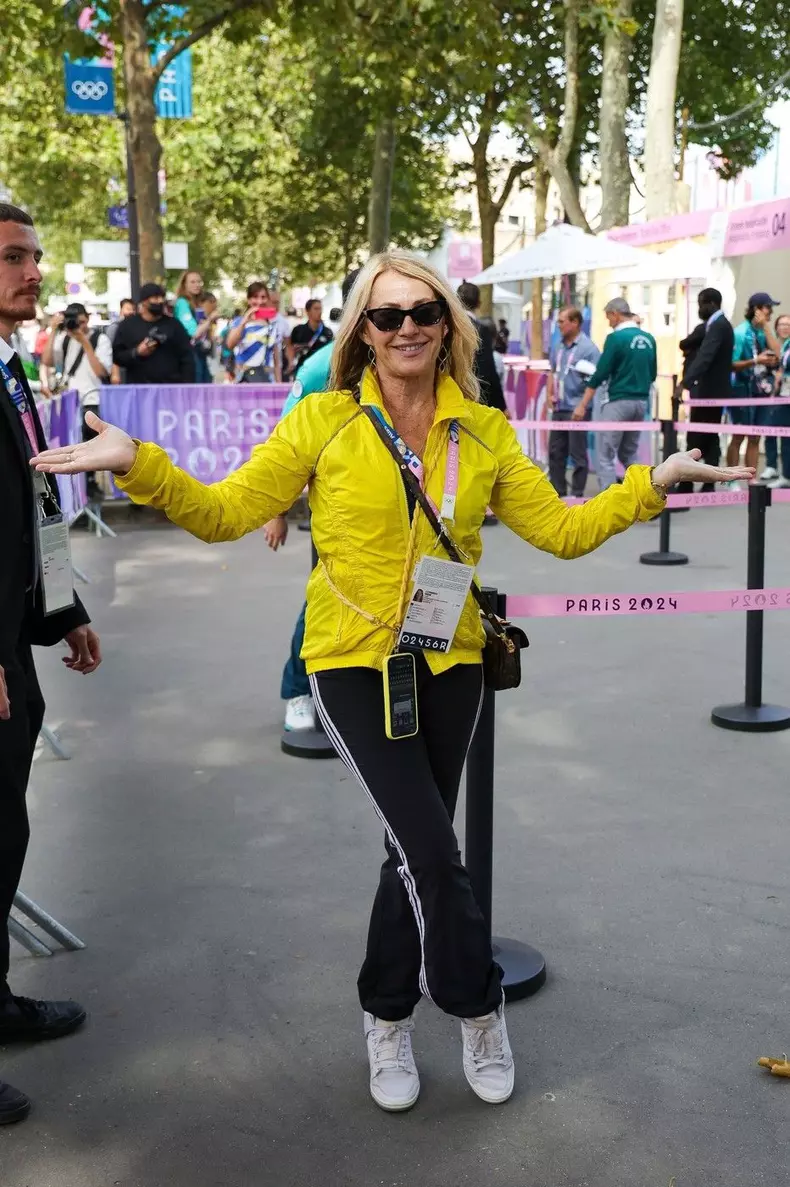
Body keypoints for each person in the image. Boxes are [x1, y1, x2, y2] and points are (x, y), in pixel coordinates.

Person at [31, 250, 752, 1116]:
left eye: (423, 311)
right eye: (386, 315)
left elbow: (562, 531)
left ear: (448, 324)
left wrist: (651, 484)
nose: (406, 325)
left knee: (409, 854)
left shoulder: (482, 430)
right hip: (348, 663)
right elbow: (223, 512)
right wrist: (136, 459)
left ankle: (384, 1015)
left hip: (451, 665)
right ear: (363, 334)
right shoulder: (325, 422)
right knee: (436, 855)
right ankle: (477, 1006)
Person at [0, 202, 102, 1126]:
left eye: (34, 255)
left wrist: (65, 609)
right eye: (12, 259)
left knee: (5, 837)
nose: (33, 273)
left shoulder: (13, 363)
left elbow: (32, 504)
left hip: (14, 646)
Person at [265, 268, 360, 735]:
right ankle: (298, 689)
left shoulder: (421, 360)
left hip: (406, 516)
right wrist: (278, 510)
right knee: (324, 600)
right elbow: (287, 445)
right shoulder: (323, 367)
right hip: (337, 516)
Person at [573, 297, 657, 491]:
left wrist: (582, 404)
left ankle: (608, 503)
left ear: (615, 314)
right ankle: (646, 493)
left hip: (618, 401)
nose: (609, 323)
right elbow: (652, 374)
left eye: (608, 318)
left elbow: (600, 374)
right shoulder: (649, 339)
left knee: (605, 455)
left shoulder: (615, 339)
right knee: (629, 454)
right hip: (641, 402)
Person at [41, 302, 113, 500]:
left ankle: (90, 482)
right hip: (68, 400)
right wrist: (54, 330)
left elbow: (101, 372)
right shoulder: (64, 338)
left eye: (81, 322)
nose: (78, 327)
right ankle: (74, 491)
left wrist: (85, 342)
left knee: (88, 440)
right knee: (68, 446)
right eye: (73, 323)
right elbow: (46, 361)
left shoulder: (100, 339)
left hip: (92, 397)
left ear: (87, 319)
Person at [676, 289, 735, 495]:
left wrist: (684, 383)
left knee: (696, 438)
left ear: (711, 303)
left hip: (710, 393)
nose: (699, 308)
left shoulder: (718, 326)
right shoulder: (715, 325)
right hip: (711, 392)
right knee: (709, 437)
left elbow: (706, 357)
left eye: (701, 304)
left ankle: (686, 484)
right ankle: (707, 483)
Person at [546, 307, 601, 497]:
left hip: (577, 407)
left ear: (575, 322)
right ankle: (558, 493)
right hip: (559, 406)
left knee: (577, 454)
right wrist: (549, 394)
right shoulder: (558, 346)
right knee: (555, 451)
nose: (559, 325)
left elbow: (595, 381)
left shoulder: (589, 349)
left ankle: (577, 495)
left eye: (562, 321)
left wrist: (583, 405)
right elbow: (552, 372)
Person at [727, 292, 781, 477]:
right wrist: (756, 361)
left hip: (763, 391)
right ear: (756, 309)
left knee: (756, 436)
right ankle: (732, 478)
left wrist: (766, 326)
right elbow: (731, 365)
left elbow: (778, 354)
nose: (771, 312)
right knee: (739, 435)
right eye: (768, 308)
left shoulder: (765, 330)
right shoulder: (741, 332)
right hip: (742, 390)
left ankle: (751, 480)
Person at [112, 283, 195, 385]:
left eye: (162, 297)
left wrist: (187, 386)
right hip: (139, 389)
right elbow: (117, 357)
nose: (160, 301)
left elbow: (187, 358)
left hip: (170, 388)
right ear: (144, 301)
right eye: (155, 298)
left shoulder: (174, 325)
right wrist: (136, 352)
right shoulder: (127, 326)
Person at [456, 282, 507, 414]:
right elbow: (488, 369)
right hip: (474, 399)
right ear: (479, 303)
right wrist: (501, 406)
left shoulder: (445, 326)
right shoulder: (481, 330)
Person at [225, 282, 282, 383]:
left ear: (268, 299)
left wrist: (279, 383)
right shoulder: (239, 321)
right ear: (249, 299)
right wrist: (244, 321)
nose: (259, 301)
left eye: (263, 297)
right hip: (245, 378)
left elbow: (276, 359)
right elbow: (230, 344)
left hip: (266, 377)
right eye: (255, 297)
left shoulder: (273, 325)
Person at [761, 313, 790, 488]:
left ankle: (786, 475)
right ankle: (775, 468)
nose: (785, 327)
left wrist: (781, 374)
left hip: (786, 396)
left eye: (788, 324)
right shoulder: (782, 344)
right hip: (777, 395)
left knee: (786, 436)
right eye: (782, 324)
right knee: (773, 430)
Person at [174, 270, 217, 384]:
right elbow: (194, 332)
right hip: (190, 354)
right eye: (192, 282)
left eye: (199, 282)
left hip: (200, 353)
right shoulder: (182, 303)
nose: (197, 285)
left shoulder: (197, 304)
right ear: (184, 285)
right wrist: (210, 319)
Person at [290, 298, 333, 376]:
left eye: (320, 309)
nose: (319, 312)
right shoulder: (298, 330)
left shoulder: (327, 332)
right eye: (316, 309)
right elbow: (291, 350)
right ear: (308, 311)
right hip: (302, 371)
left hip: (322, 373)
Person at [107, 299, 136, 384]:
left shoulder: (135, 327)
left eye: (133, 309)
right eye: (128, 309)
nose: (131, 312)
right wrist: (114, 372)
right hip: (118, 371)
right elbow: (110, 352)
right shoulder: (114, 327)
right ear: (121, 310)